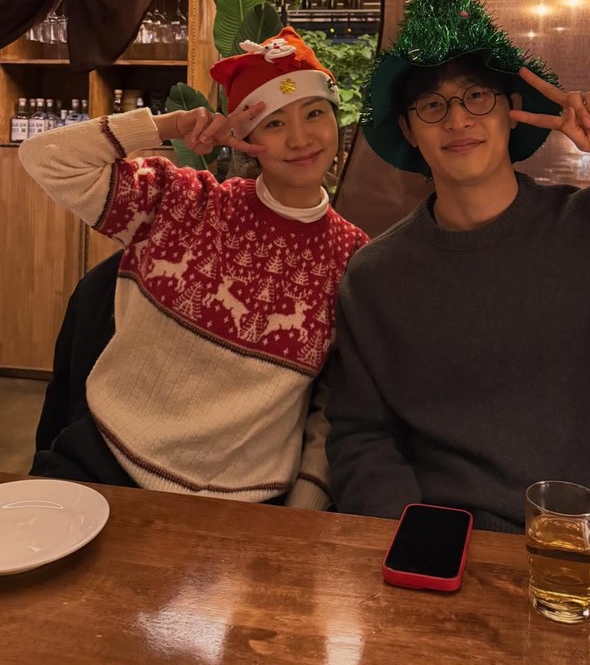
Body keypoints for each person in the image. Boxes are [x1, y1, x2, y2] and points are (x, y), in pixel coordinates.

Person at [325, 0, 590, 550]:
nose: (457, 119)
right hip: (462, 551)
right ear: (409, 131)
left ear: (511, 109)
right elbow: (362, 435)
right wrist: (418, 540)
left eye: (476, 96)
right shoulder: (376, 276)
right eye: (431, 105)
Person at [20, 27, 368, 509]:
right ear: (246, 137)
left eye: (314, 113)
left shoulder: (353, 257)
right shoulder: (185, 202)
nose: (300, 138)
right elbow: (45, 157)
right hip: (105, 464)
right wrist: (170, 125)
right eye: (273, 123)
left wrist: (302, 514)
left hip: (244, 503)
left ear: (337, 119)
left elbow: (334, 402)